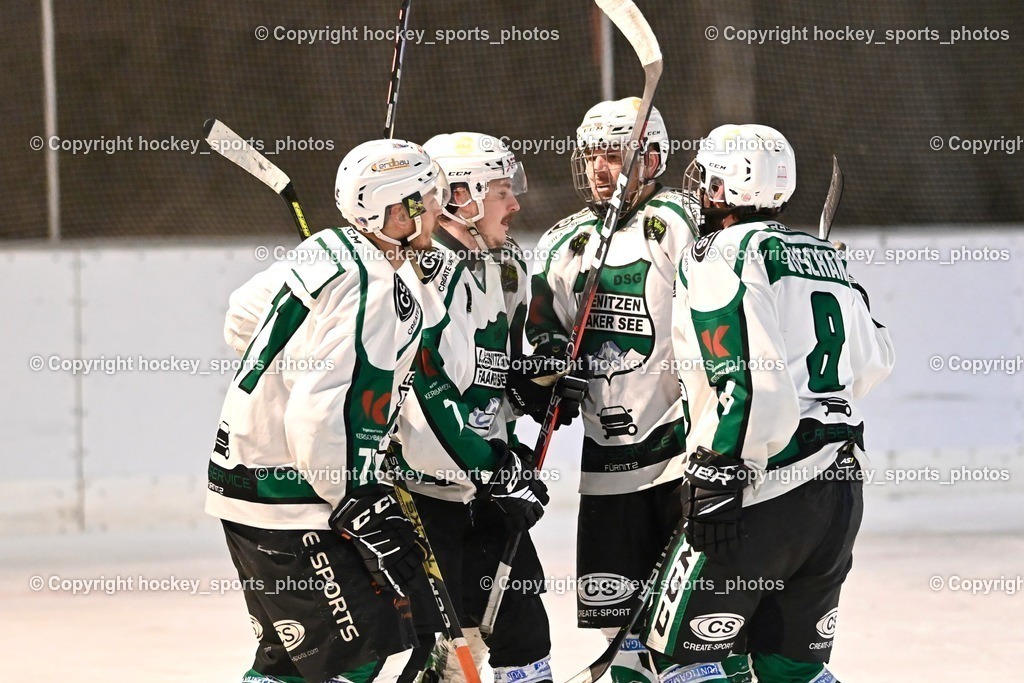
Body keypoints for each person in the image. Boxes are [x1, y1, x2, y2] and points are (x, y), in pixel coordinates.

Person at [641, 124, 895, 683]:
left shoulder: (719, 255)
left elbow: (750, 382)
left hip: (760, 489)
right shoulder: (825, 257)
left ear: (722, 184)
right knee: (791, 669)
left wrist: (718, 472)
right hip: (837, 494)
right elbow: (875, 360)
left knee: (674, 659)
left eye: (705, 177)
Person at [206, 138, 448, 683]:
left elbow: (241, 317)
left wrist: (303, 358)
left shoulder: (329, 248)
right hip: (291, 492)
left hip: (248, 478)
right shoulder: (376, 285)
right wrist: (354, 499)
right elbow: (315, 418)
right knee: (357, 653)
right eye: (426, 197)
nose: (436, 207)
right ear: (396, 209)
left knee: (289, 664)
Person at [523, 98, 698, 683]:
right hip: (606, 463)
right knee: (615, 627)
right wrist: (551, 375)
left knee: (691, 629)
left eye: (615, 152)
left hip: (681, 456)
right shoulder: (565, 241)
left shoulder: (677, 221)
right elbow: (544, 331)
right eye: (593, 153)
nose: (600, 166)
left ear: (653, 157)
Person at [390, 132, 564, 683]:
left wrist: (533, 386)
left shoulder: (505, 263)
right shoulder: (418, 276)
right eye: (501, 191)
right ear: (460, 195)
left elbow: (496, 374)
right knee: (445, 655)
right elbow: (426, 396)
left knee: (526, 633)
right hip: (425, 491)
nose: (514, 204)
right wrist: (497, 472)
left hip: (487, 479)